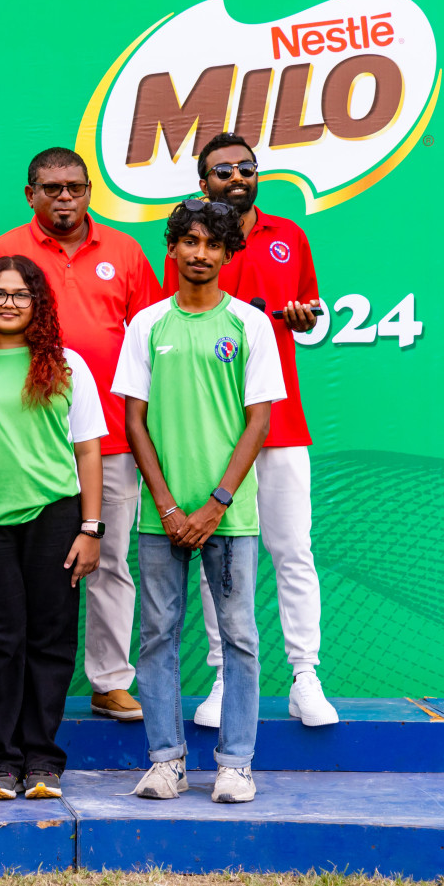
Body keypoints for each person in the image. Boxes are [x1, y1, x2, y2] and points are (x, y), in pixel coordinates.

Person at [0, 147, 159, 723]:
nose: (64, 198)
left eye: (75, 187)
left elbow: (151, 344)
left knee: (108, 559)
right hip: (19, 444)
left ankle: (109, 680)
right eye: (51, 188)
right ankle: (20, 702)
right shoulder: (1, 254)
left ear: (88, 192)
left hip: (110, 440)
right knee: (20, 574)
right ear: (30, 193)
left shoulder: (126, 252)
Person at [112, 200, 284, 805]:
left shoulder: (250, 326)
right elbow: (134, 420)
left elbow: (259, 421)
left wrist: (215, 503)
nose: (201, 254)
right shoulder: (148, 325)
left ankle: (235, 764)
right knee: (157, 636)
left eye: (213, 244)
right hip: (162, 518)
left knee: (239, 637)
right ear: (173, 248)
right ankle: (166, 763)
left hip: (229, 517)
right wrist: (166, 506)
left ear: (228, 252)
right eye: (189, 242)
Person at [168, 133, 338, 728]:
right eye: (222, 170)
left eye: (246, 167)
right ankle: (222, 676)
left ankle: (305, 676)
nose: (236, 177)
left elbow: (313, 316)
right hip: (216, 431)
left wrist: (301, 316)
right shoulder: (191, 246)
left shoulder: (289, 236)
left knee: (293, 551)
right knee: (224, 559)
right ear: (202, 180)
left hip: (283, 424)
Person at [0, 257, 106, 801]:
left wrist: (91, 528)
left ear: (38, 305)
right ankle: (1, 765)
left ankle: (42, 763)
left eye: (21, 294)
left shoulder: (66, 365)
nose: (9, 303)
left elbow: (87, 451)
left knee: (51, 641)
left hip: (56, 517)